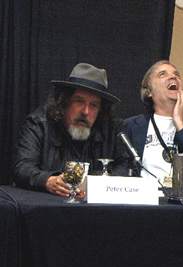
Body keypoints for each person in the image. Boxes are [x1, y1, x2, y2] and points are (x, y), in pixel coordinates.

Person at [12, 63, 129, 196]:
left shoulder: (112, 128)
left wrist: (89, 182)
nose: (85, 111)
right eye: (79, 101)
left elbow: (128, 167)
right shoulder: (39, 124)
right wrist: (48, 181)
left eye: (94, 105)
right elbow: (21, 167)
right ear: (63, 101)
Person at [120, 60, 183, 185]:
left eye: (176, 74)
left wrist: (179, 122)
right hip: (145, 199)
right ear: (149, 91)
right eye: (162, 74)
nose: (173, 77)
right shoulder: (131, 126)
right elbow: (121, 170)